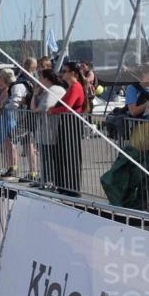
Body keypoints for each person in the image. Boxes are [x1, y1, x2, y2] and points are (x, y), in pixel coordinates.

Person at [48, 61, 87, 197]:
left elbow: (67, 107)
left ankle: (72, 188)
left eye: (65, 71)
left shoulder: (76, 87)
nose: (62, 74)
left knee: (70, 155)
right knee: (63, 154)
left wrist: (52, 110)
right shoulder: (71, 87)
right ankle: (65, 185)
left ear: (73, 73)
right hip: (66, 123)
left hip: (71, 124)